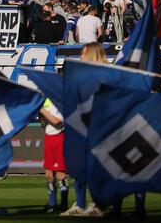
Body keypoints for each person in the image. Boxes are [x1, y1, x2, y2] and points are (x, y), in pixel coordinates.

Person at [61, 42, 105, 216]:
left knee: (96, 169)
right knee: (80, 167)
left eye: (83, 53)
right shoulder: (80, 77)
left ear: (93, 55)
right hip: (82, 127)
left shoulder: (105, 76)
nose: (80, 56)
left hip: (99, 129)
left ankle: (97, 205)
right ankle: (80, 204)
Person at [40, 97, 72, 214]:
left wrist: (42, 111)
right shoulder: (46, 101)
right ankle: (52, 204)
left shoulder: (60, 100)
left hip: (59, 137)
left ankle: (64, 205)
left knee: (60, 173)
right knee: (48, 174)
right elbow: (45, 124)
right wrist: (42, 116)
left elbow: (57, 121)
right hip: (49, 138)